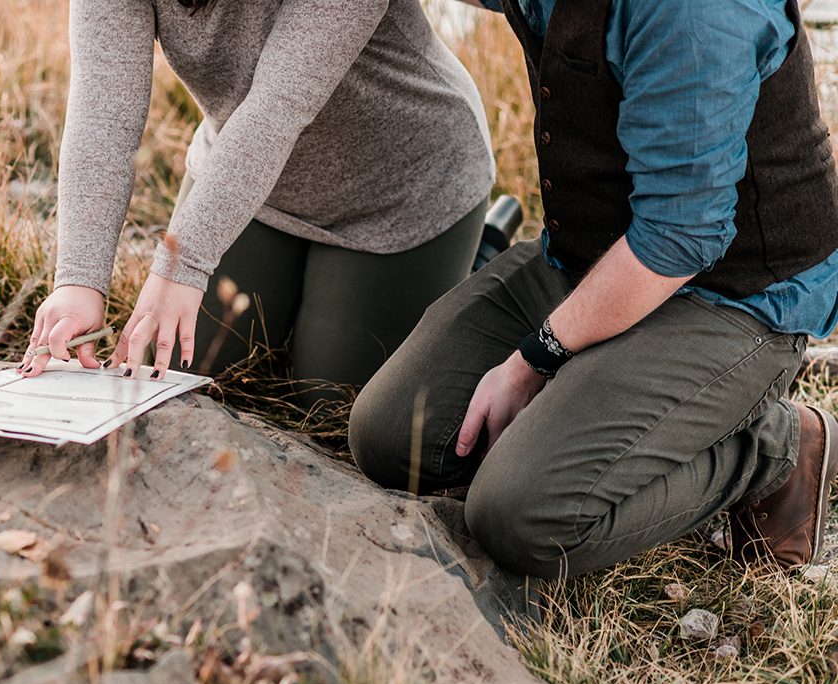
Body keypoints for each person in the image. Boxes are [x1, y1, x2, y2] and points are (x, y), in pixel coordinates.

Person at [350, 0, 838, 577]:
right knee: (391, 436)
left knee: (520, 517)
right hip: (590, 259)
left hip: (734, 292)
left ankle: (775, 448)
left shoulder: (693, 11)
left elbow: (682, 235)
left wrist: (534, 358)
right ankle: (598, 405)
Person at [18, 0, 496, 411]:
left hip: (402, 192)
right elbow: (102, 115)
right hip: (245, 188)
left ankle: (483, 251)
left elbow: (278, 106)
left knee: (332, 395)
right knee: (178, 368)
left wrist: (182, 265)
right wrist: (80, 281)